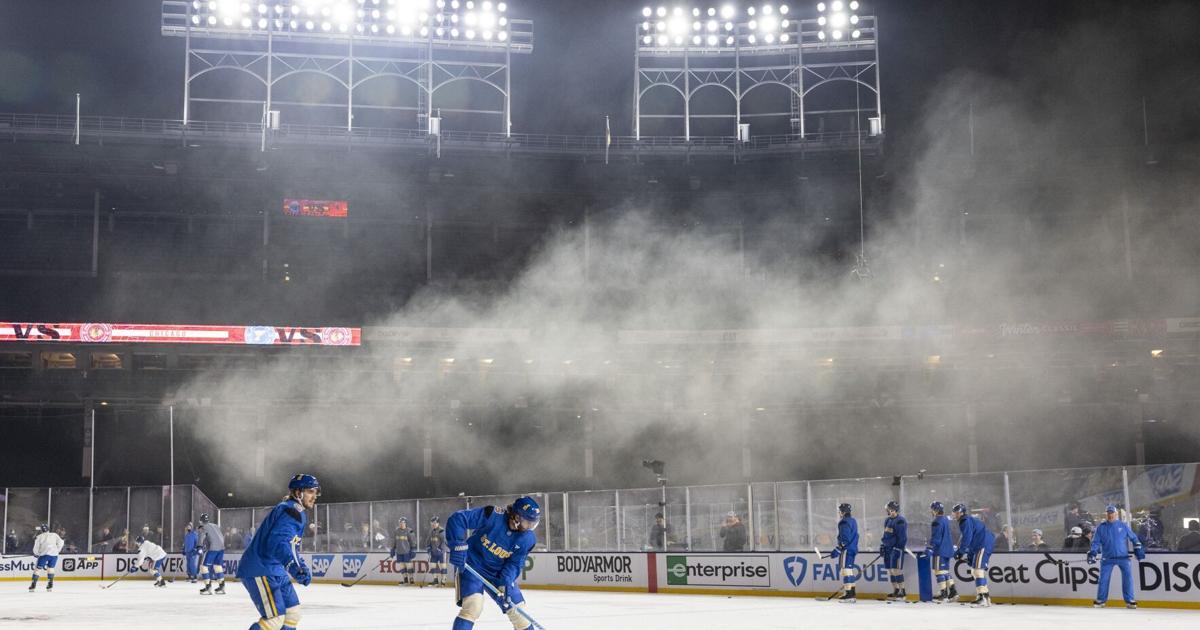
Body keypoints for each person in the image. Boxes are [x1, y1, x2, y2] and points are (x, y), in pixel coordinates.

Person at [237, 473, 320, 630]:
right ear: (298, 493)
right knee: (274, 619)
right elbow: (278, 543)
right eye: (310, 491)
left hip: (275, 569)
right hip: (260, 568)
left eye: (316, 492)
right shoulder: (291, 511)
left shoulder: (294, 510)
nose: (314, 496)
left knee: (293, 613)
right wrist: (295, 567)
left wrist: (300, 565)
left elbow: (292, 546)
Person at [446, 496, 541, 630]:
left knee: (520, 614)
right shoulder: (492, 515)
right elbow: (458, 519)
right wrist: (457, 545)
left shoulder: (528, 539)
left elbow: (514, 564)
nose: (530, 527)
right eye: (528, 522)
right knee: (473, 606)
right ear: (516, 517)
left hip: (497, 573)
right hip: (472, 565)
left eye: (533, 523)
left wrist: (507, 582)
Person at [1088, 504, 1144, 609]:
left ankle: (1130, 600)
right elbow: (1095, 542)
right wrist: (1093, 553)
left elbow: (1134, 538)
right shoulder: (1101, 528)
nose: (1110, 515)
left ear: (1116, 514)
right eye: (1108, 513)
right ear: (1106, 514)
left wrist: (1138, 547)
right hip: (1107, 559)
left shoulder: (1123, 526)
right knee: (1103, 579)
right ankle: (1100, 600)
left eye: (1112, 513)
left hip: (1123, 558)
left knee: (1128, 579)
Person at [953, 503, 996, 607]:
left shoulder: (965, 521)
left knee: (977, 570)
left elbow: (967, 538)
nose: (955, 515)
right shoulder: (967, 520)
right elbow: (971, 538)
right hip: (982, 543)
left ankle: (982, 598)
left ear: (962, 513)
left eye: (957, 513)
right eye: (954, 513)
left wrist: (960, 552)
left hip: (983, 543)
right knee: (976, 570)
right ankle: (985, 597)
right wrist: (970, 555)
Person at [926, 501, 957, 603]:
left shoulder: (936, 521)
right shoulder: (946, 519)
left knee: (938, 571)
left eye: (932, 509)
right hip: (948, 550)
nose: (931, 511)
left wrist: (930, 548)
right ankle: (953, 592)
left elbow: (936, 538)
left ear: (935, 510)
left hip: (940, 550)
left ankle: (943, 593)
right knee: (945, 571)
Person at [829, 503, 859, 603]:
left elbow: (845, 538)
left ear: (843, 512)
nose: (839, 512)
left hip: (846, 549)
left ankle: (848, 594)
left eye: (840, 511)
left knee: (845, 570)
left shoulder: (844, 522)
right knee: (849, 570)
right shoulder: (853, 521)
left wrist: (838, 548)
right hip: (853, 548)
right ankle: (852, 593)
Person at [880, 500, 908, 601]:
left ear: (893, 510)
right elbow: (885, 535)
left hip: (896, 550)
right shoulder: (887, 520)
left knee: (896, 570)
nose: (887, 511)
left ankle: (902, 591)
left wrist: (898, 548)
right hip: (888, 549)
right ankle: (896, 590)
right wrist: (882, 545)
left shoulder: (900, 521)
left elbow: (903, 538)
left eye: (889, 509)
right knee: (891, 571)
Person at [197, 511, 227, 594]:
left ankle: (208, 587)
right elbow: (221, 536)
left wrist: (199, 547)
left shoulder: (202, 527)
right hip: (221, 547)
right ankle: (222, 585)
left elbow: (201, 537)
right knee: (218, 566)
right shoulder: (215, 525)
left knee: (203, 567)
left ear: (201, 521)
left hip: (213, 548)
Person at [28, 524, 64, 592]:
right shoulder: (54, 535)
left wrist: (36, 553)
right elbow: (61, 542)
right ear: (48, 529)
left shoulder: (39, 537)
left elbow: (36, 547)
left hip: (44, 555)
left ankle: (33, 585)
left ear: (41, 530)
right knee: (51, 568)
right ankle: (50, 584)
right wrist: (57, 550)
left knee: (38, 569)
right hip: (54, 555)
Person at [391, 517, 419, 585]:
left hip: (407, 552)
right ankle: (405, 579)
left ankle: (411, 579)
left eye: (403, 523)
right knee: (402, 566)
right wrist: (392, 549)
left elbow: (413, 541)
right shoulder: (396, 531)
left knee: (409, 565)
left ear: (405, 523)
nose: (401, 524)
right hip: (399, 552)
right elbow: (394, 541)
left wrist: (413, 550)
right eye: (400, 523)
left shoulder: (409, 531)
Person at [426, 516, 449, 586]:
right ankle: (435, 580)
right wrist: (428, 548)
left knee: (443, 566)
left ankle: (443, 580)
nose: (433, 524)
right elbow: (428, 541)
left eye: (435, 523)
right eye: (432, 523)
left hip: (441, 552)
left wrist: (441, 549)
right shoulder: (431, 531)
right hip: (433, 552)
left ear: (438, 523)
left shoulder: (442, 531)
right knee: (432, 565)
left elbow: (444, 541)